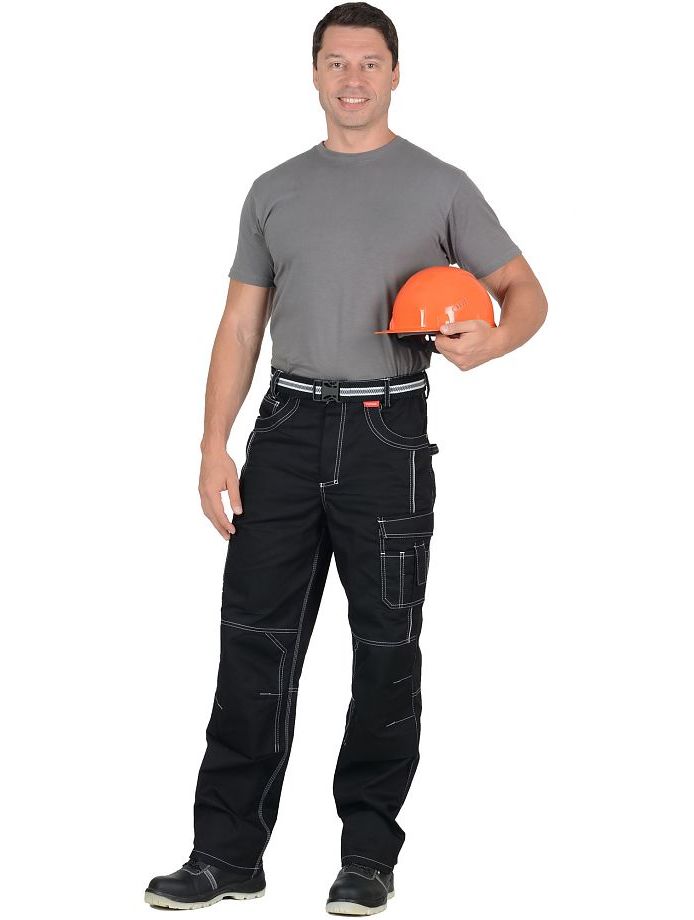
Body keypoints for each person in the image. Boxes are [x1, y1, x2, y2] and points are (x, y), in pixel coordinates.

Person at [145, 2, 548, 914]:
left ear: (396, 73)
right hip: (285, 430)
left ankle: (366, 856)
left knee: (385, 648)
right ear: (315, 73)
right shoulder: (273, 188)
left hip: (387, 433)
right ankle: (225, 856)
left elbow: (525, 291)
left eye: (370, 62)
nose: (353, 78)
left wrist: (495, 340)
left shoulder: (442, 186)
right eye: (336, 62)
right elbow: (240, 324)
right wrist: (213, 445)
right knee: (254, 642)